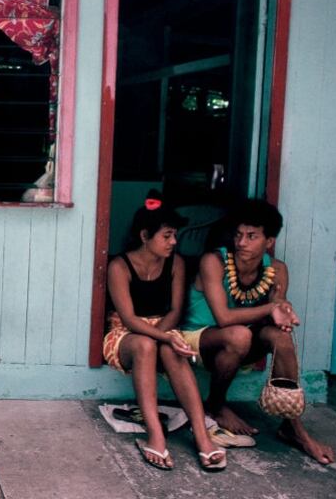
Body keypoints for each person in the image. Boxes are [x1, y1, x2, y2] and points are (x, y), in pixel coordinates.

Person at [181, 199, 335, 465]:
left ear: (269, 241)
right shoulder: (214, 261)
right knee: (239, 334)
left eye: (252, 236)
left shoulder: (276, 270)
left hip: (242, 344)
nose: (242, 242)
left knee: (281, 338)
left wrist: (283, 310)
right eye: (239, 235)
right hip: (198, 339)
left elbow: (277, 311)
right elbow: (224, 318)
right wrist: (270, 309)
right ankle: (216, 405)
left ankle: (293, 427)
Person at [104, 191, 226, 471]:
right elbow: (129, 319)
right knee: (147, 345)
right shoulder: (119, 266)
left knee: (170, 349)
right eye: (167, 236)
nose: (174, 242)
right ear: (145, 236)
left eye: (174, 235)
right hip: (124, 334)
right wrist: (162, 337)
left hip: (164, 326)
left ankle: (202, 436)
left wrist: (164, 335)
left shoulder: (176, 263)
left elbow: (174, 310)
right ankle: (156, 435)